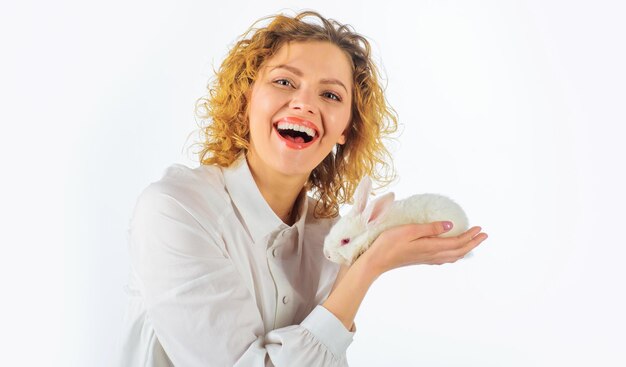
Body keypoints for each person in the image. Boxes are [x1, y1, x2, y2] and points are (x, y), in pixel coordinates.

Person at [117, 10, 488, 367]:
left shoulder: (325, 238)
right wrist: (368, 266)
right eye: (284, 82)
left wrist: (353, 269)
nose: (305, 103)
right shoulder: (176, 211)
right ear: (247, 98)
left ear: (346, 128)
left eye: (330, 95)